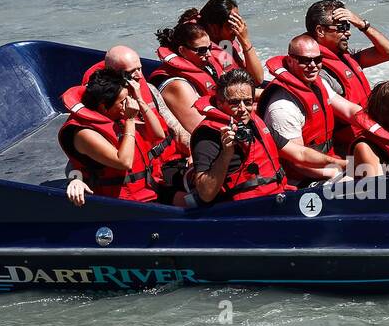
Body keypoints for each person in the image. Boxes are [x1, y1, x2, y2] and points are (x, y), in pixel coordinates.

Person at [65, 46, 188, 206]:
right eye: (123, 101)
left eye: (140, 69)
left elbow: (158, 135)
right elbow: (123, 162)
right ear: (103, 106)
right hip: (126, 201)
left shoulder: (124, 107)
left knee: (199, 200)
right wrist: (75, 180)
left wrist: (141, 101)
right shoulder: (86, 129)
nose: (139, 76)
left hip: (152, 183)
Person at [258, 34, 365, 184]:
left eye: (318, 59)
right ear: (290, 60)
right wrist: (339, 170)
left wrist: (380, 127)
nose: (313, 65)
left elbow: (349, 110)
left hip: (330, 161)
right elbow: (299, 162)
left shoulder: (317, 83)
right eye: (305, 60)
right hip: (302, 180)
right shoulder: (282, 107)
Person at [306, 0, 389, 154]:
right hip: (350, 149)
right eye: (341, 27)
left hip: (368, 135)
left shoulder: (346, 56)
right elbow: (348, 112)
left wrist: (362, 24)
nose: (348, 32)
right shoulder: (315, 71)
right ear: (320, 31)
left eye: (348, 26)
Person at [188, 69, 290, 204]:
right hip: (241, 210)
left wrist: (328, 165)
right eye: (235, 103)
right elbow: (206, 194)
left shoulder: (253, 121)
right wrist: (226, 154)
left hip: (277, 196)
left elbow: (300, 153)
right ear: (220, 103)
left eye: (247, 102)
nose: (242, 109)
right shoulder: (207, 136)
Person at [152, 21, 230, 135]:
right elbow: (200, 131)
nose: (209, 54)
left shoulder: (206, 67)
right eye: (202, 50)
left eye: (209, 48)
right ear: (182, 50)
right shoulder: (177, 86)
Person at [194, 0, 267, 85]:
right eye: (232, 25)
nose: (238, 29)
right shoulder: (210, 52)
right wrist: (245, 42)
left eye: (238, 22)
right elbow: (257, 80)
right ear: (214, 28)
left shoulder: (223, 42)